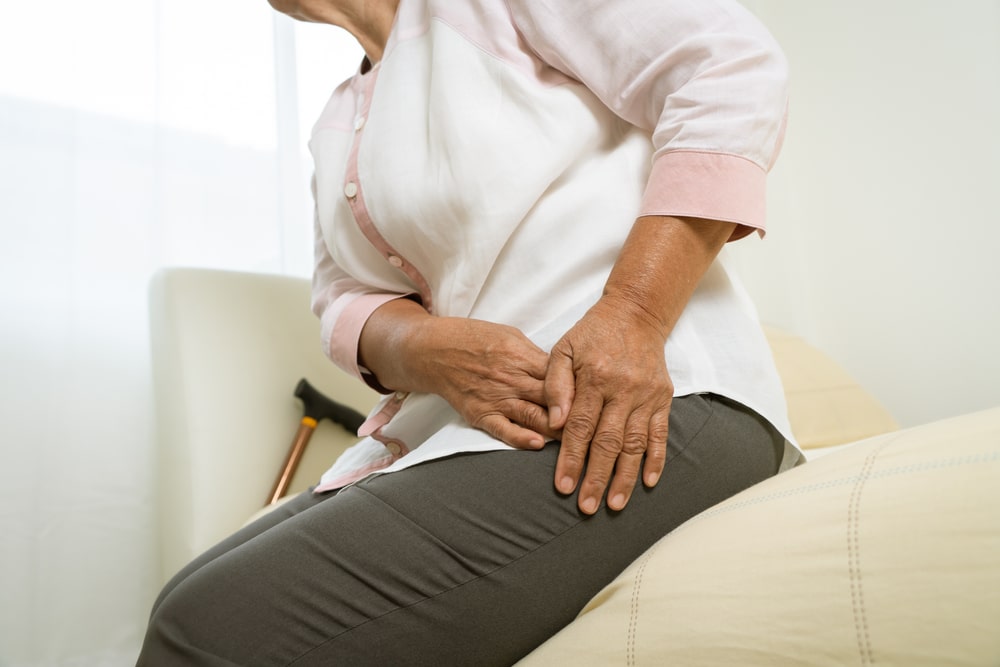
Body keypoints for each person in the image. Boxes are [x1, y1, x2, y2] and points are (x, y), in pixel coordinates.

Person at [138, 0, 800, 664]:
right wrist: (433, 352)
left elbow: (732, 65)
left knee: (204, 631)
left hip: (656, 402)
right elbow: (341, 296)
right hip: (461, 428)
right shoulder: (336, 122)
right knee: (179, 604)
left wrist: (633, 313)